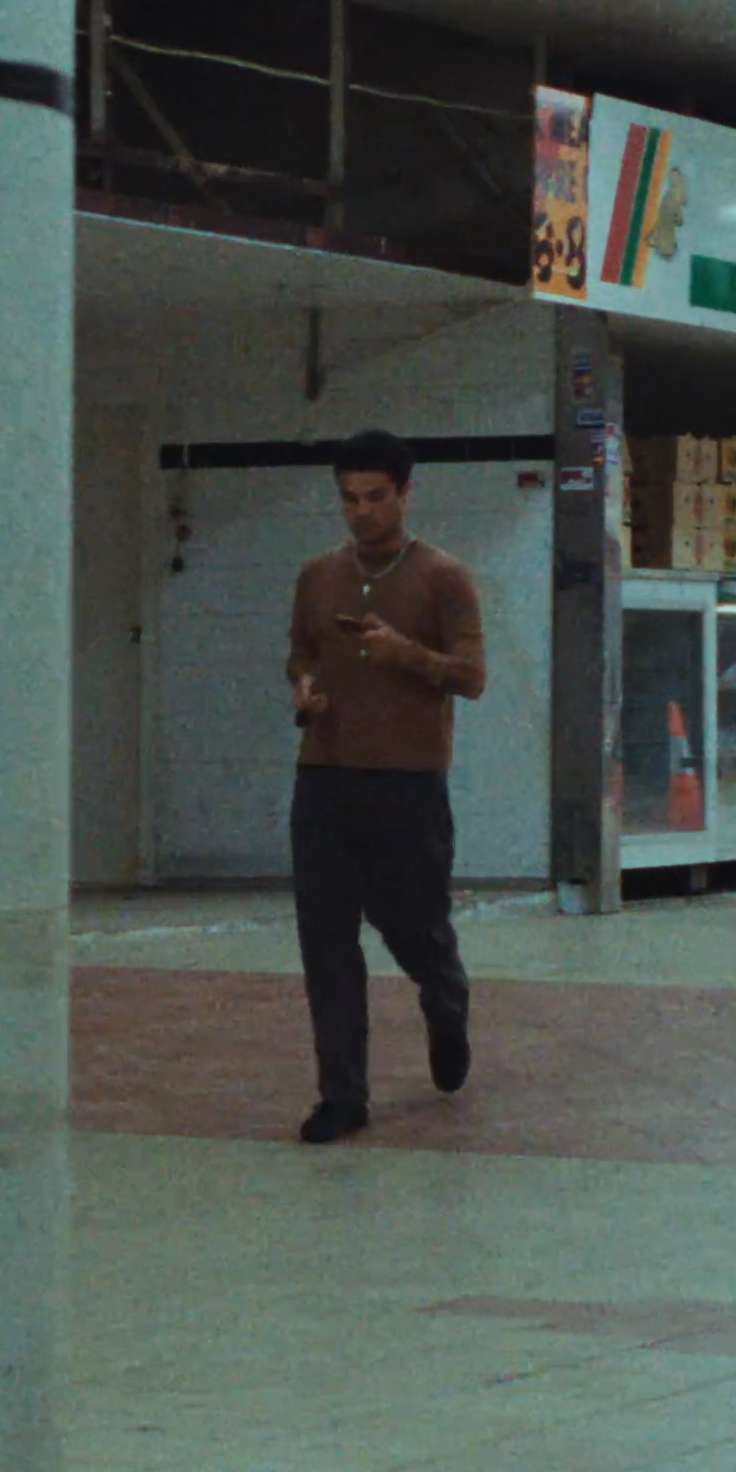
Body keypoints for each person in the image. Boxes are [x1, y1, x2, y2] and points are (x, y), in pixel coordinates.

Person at [284, 428, 487, 1143]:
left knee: (412, 928)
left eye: (375, 497)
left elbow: (472, 677)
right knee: (327, 942)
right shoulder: (317, 576)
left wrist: (406, 655)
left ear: (405, 493)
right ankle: (342, 1094)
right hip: (325, 779)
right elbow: (300, 655)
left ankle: (445, 993)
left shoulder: (443, 578)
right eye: (348, 498)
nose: (360, 511)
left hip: (406, 785)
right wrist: (304, 689)